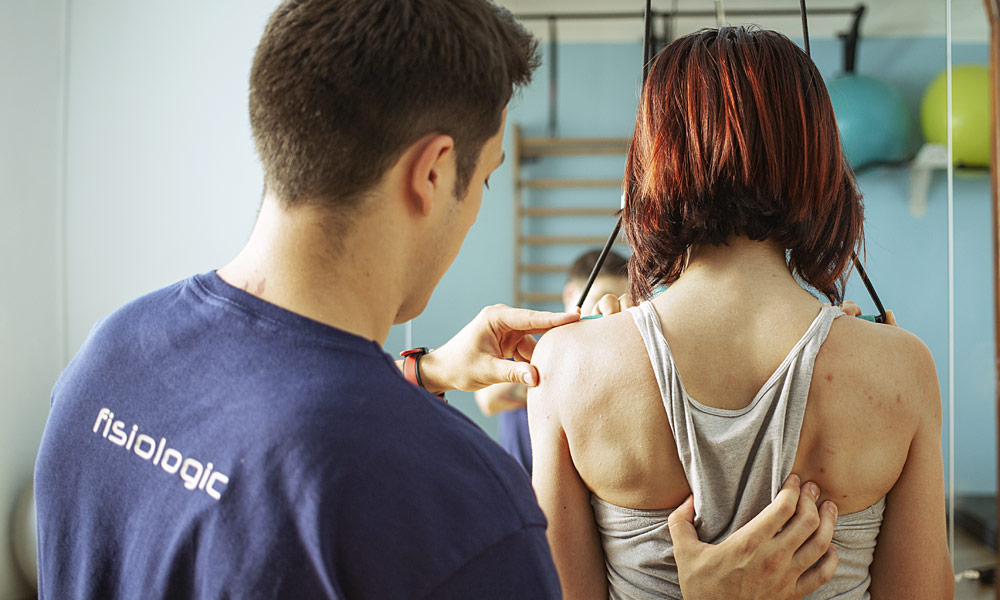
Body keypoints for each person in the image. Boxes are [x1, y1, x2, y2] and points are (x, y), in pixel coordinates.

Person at [34, 4, 840, 598]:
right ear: (430, 173)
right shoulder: (453, 501)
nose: (479, 201)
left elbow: (258, 445)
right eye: (485, 178)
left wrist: (418, 372)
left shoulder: (110, 358)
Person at [528, 26, 953, 600]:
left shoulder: (568, 367)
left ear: (655, 159)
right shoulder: (901, 370)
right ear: (816, 159)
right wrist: (885, 360)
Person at [476, 249, 629, 473]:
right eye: (600, 298)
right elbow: (488, 398)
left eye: (617, 303)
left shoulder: (619, 362)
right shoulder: (526, 345)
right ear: (570, 295)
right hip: (521, 492)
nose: (607, 311)